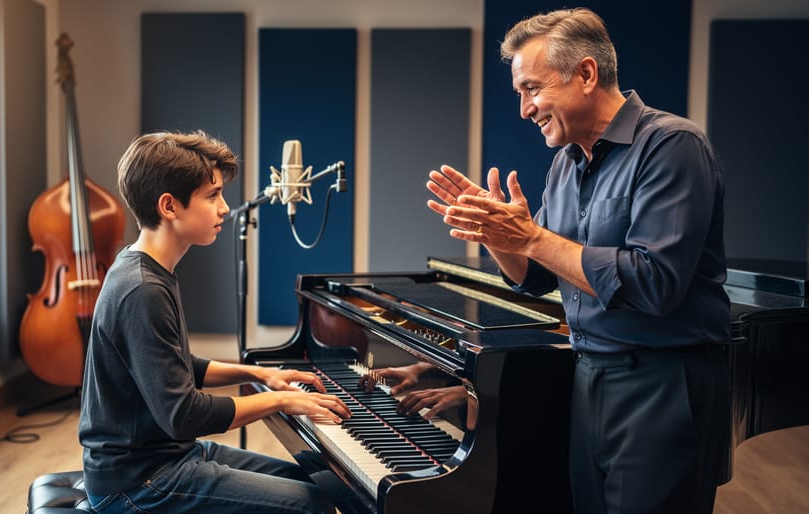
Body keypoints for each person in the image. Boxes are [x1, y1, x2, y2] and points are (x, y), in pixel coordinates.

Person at [426, 8, 731, 514]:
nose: (525, 109)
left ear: (586, 74)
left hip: (663, 384)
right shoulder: (565, 165)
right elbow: (538, 277)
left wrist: (529, 237)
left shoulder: (673, 145)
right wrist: (496, 234)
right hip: (588, 378)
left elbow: (655, 283)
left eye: (532, 89)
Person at [78, 130, 351, 514]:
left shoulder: (144, 268)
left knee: (318, 480)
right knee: (312, 504)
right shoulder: (142, 289)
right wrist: (283, 400)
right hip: (136, 481)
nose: (225, 208)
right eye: (213, 195)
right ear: (169, 206)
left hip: (167, 458)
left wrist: (260, 376)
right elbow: (182, 415)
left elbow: (176, 368)